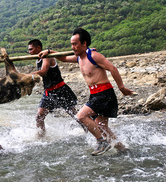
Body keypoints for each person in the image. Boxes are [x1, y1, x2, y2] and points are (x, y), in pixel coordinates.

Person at [38, 28, 133, 156]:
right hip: (95, 94)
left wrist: (122, 88)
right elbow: (64, 58)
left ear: (84, 43)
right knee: (101, 127)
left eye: (75, 44)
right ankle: (122, 149)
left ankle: (101, 142)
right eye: (71, 44)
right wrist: (49, 52)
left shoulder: (93, 56)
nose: (73, 47)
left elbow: (113, 69)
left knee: (81, 116)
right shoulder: (79, 58)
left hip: (104, 94)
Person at [28, 39, 87, 137]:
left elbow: (43, 71)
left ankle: (89, 131)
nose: (30, 52)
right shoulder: (38, 58)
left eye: (31, 49)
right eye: (29, 50)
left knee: (74, 115)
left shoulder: (47, 57)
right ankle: (41, 138)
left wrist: (26, 75)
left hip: (60, 90)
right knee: (39, 117)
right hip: (48, 92)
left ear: (38, 48)